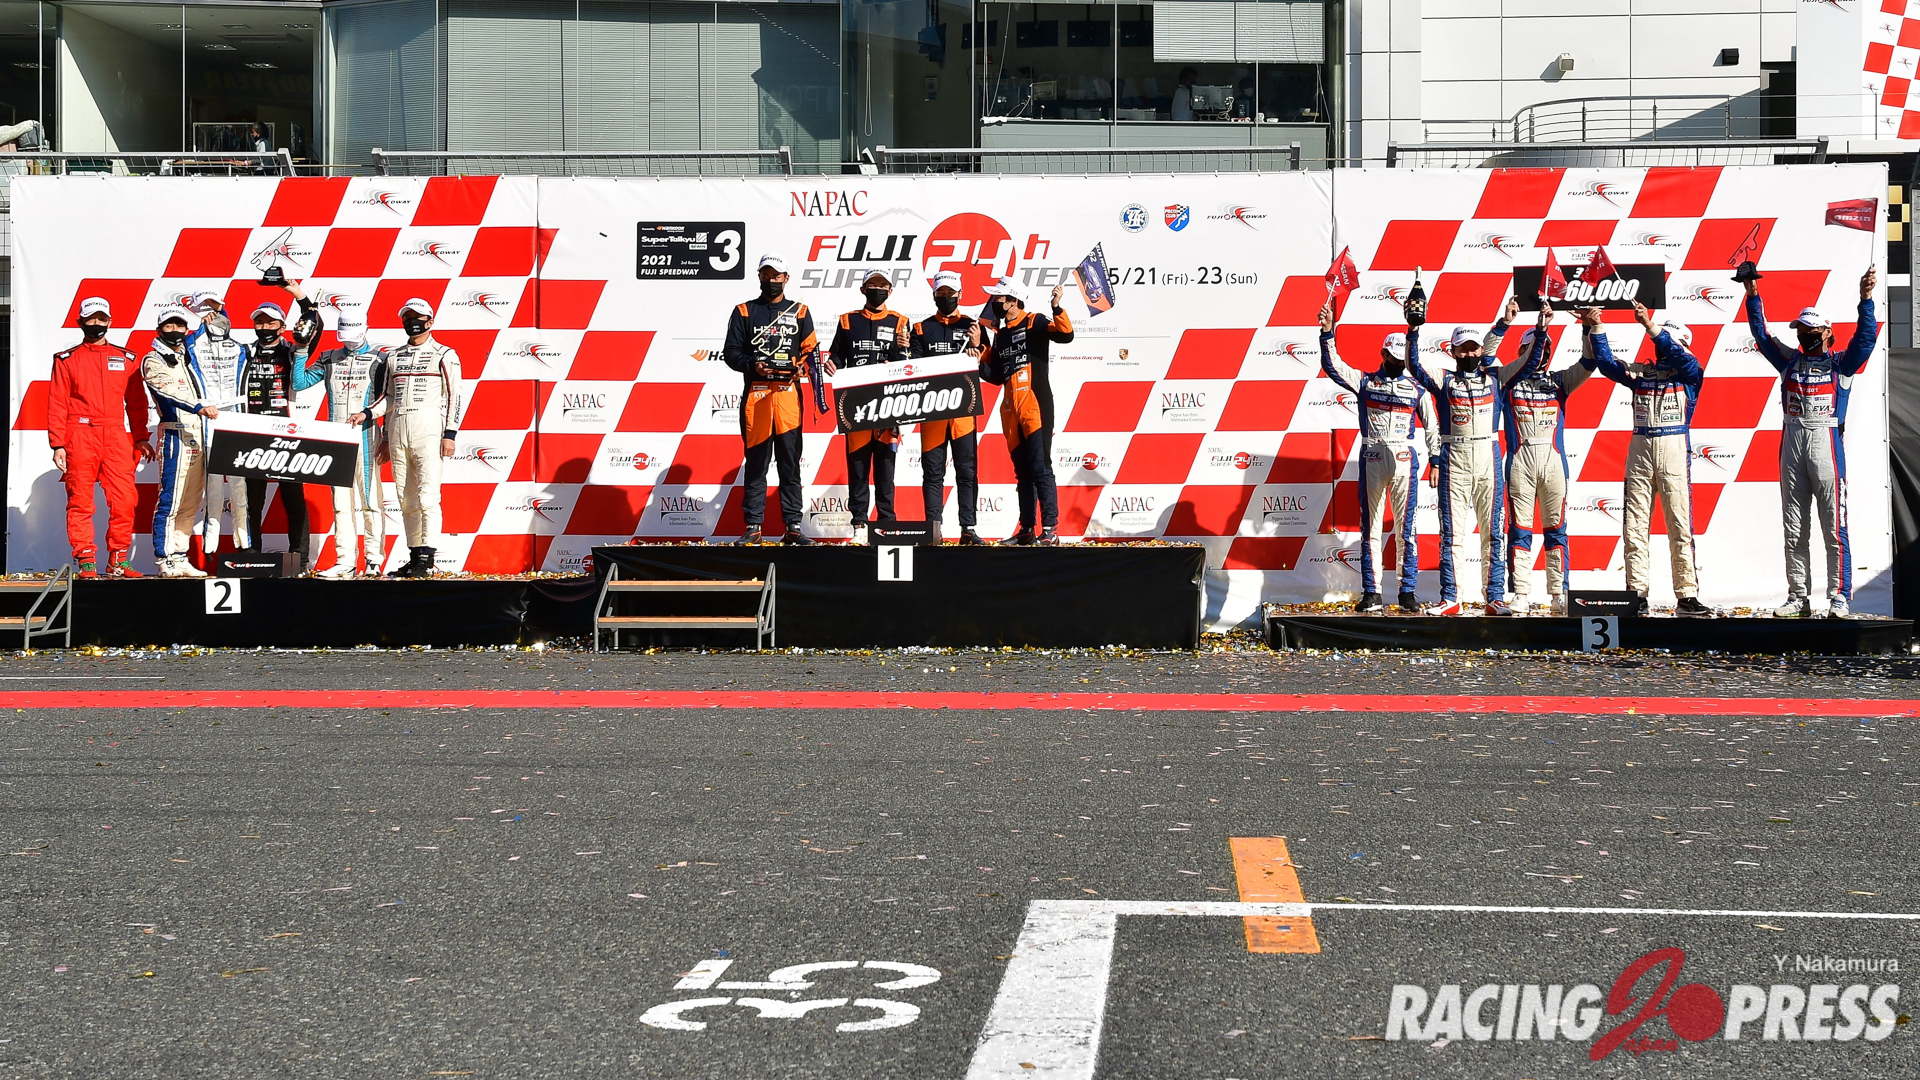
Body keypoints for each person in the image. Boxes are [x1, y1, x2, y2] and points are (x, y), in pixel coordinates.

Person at [1744, 268, 1878, 618]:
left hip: (1826, 441)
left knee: (1834, 525)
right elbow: (1761, 334)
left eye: (1810, 330)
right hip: (1792, 440)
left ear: (1827, 332)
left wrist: (1865, 300)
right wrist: (1753, 293)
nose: (1804, 335)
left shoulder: (1841, 364)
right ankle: (1798, 597)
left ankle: (1839, 597)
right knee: (1793, 525)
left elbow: (1866, 340)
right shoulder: (1788, 360)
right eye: (1800, 330)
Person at [1580, 302, 1711, 618]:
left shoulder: (1691, 373)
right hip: (1640, 450)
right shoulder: (1642, 373)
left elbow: (1680, 357)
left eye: (1667, 341)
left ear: (1680, 344)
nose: (1661, 347)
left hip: (1674, 449)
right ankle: (1636, 594)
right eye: (1660, 341)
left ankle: (1687, 596)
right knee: (1634, 526)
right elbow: (1608, 365)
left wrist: (1651, 327)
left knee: (1679, 525)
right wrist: (1596, 326)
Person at [1317, 302, 1440, 613]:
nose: (1398, 363)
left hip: (1404, 457)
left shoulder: (1417, 388)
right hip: (1372, 454)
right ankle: (1372, 592)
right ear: (1383, 354)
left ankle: (1407, 591)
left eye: (1402, 359)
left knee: (1406, 529)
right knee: (1370, 527)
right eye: (1394, 358)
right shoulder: (1365, 381)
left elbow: (1433, 426)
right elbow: (1334, 366)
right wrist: (1327, 332)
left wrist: (1436, 460)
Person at [1406, 313, 1514, 615]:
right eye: (1462, 349)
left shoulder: (1496, 377)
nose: (1469, 354)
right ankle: (1451, 598)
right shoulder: (1444, 379)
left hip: (1488, 457)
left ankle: (1494, 597)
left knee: (1494, 532)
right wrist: (1413, 331)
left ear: (1481, 350)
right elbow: (1413, 365)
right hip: (1454, 458)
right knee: (1452, 534)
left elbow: (1529, 363)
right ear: (1452, 351)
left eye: (1473, 348)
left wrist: (1535, 328)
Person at [48, 297, 153, 578]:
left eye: (101, 318)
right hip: (79, 434)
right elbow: (57, 403)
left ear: (110, 321)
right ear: (80, 322)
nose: (96, 323)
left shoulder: (127, 358)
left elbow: (137, 402)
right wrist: (58, 443)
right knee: (80, 501)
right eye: (91, 319)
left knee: (124, 500)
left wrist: (141, 437)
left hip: (116, 435)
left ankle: (118, 559)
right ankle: (86, 560)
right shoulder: (66, 359)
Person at [725, 254, 825, 546]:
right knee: (756, 463)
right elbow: (731, 353)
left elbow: (811, 352)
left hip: (788, 396)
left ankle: (793, 526)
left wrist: (802, 369)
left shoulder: (800, 311)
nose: (771, 280)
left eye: (776, 275)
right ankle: (753, 526)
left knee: (790, 464)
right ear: (759, 276)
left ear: (786, 278)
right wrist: (753, 364)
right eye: (766, 275)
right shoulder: (744, 311)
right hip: (756, 395)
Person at [1501, 305, 1593, 616]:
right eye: (1533, 348)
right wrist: (1526, 328)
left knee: (1556, 530)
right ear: (1521, 351)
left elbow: (1589, 362)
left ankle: (1558, 593)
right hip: (1520, 462)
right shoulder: (1507, 381)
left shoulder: (1559, 381)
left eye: (1545, 348)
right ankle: (1521, 593)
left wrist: (1587, 328)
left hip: (1554, 463)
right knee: (1520, 530)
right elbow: (1487, 360)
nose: (1541, 353)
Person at [979, 279, 1071, 545]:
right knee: (1022, 472)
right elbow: (996, 376)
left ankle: (1051, 529)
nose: (994, 303)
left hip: (1035, 404)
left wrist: (1056, 307)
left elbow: (1065, 335)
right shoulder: (1001, 334)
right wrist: (981, 357)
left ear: (1013, 300)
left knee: (1040, 467)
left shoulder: (1035, 321)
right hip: (1010, 408)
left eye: (998, 298)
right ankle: (1027, 529)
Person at [241, 284, 323, 568]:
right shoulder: (243, 352)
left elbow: (315, 325)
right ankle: (251, 556)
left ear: (282, 326)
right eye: (260, 322)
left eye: (270, 322)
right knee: (251, 500)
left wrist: (298, 294)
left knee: (293, 498)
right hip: (252, 432)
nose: (264, 327)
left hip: (287, 433)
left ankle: (299, 559)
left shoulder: (293, 350)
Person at [305, 308, 389, 578]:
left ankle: (374, 560)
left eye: (354, 336)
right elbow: (299, 382)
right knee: (341, 503)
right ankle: (345, 561)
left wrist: (386, 436)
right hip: (337, 439)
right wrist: (301, 348)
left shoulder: (380, 360)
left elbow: (389, 399)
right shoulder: (329, 358)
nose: (349, 341)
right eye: (345, 336)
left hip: (367, 437)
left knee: (370, 501)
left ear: (365, 329)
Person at [383, 298, 462, 577]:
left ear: (430, 321)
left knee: (428, 495)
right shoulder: (393, 356)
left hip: (428, 426)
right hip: (397, 426)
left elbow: (455, 396)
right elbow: (388, 397)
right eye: (407, 317)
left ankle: (427, 559)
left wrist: (450, 433)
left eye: (417, 317)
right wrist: (383, 435)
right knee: (405, 497)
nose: (411, 322)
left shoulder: (445, 353)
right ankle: (415, 555)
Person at [831, 270, 911, 545]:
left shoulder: (901, 321)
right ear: (863, 289)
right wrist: (832, 364)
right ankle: (859, 524)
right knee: (858, 468)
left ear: (890, 290)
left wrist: (901, 355)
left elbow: (908, 363)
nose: (878, 289)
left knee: (886, 468)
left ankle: (887, 524)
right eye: (872, 284)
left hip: (889, 405)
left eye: (883, 285)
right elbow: (837, 356)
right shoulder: (847, 320)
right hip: (856, 404)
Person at [911, 270, 989, 545]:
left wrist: (978, 348)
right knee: (933, 473)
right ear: (934, 294)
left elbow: (989, 371)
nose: (946, 297)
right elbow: (914, 368)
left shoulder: (973, 326)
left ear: (960, 294)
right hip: (931, 410)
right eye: (941, 292)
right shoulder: (920, 328)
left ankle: (968, 528)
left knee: (967, 472)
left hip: (963, 410)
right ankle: (933, 530)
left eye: (951, 292)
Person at [144, 306, 219, 579]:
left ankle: (179, 555)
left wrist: (213, 315)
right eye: (169, 326)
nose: (175, 330)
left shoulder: (187, 355)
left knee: (191, 501)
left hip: (198, 434)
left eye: (179, 326)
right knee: (171, 500)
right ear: (159, 330)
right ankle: (164, 558)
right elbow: (168, 391)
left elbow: (208, 333)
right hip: (175, 436)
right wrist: (199, 406)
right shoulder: (153, 359)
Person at [185, 291, 250, 555]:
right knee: (212, 484)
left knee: (238, 484)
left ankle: (244, 543)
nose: (214, 320)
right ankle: (210, 544)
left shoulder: (240, 348)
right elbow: (188, 343)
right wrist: (203, 326)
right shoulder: (194, 345)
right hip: (208, 419)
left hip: (235, 418)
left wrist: (222, 311)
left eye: (217, 313)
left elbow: (226, 326)